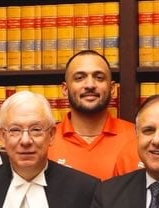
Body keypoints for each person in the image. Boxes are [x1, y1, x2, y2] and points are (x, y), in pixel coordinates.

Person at [47, 49, 139, 180]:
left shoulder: (137, 137)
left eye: (99, 78)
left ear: (112, 89)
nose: (90, 85)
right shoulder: (46, 140)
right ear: (65, 89)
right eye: (79, 78)